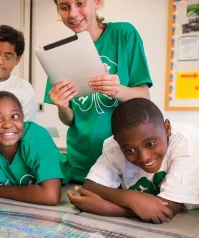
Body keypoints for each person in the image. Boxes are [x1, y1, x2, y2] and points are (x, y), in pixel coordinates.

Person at [44, 0, 152, 183]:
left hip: (123, 159)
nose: (72, 13)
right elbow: (69, 120)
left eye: (80, 3)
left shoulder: (123, 34)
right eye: (64, 7)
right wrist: (62, 107)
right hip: (81, 162)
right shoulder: (59, 55)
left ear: (97, 3)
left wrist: (117, 90)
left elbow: (144, 97)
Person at [68, 98, 199, 224]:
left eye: (150, 144)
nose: (144, 157)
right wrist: (130, 197)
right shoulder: (115, 145)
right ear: (117, 142)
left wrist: (108, 208)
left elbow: (168, 208)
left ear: (167, 128)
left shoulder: (187, 140)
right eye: (129, 150)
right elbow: (90, 186)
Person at [0, 25, 36, 122]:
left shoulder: (24, 89)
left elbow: (28, 128)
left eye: (7, 57)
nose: (0, 62)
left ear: (18, 59)